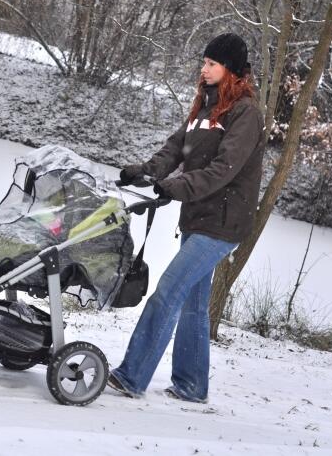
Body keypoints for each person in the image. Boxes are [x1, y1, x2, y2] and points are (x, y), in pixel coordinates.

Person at [108, 33, 265, 403]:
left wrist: (174, 187)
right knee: (194, 303)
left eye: (212, 63)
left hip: (223, 223)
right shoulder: (206, 108)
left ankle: (131, 376)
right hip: (198, 218)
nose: (204, 68)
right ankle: (192, 385)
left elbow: (223, 170)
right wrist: (145, 172)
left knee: (168, 292)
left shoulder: (245, 114)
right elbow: (177, 147)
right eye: (204, 62)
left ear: (231, 70)